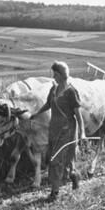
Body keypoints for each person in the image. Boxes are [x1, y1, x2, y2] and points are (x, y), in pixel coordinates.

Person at [29, 61, 86, 201]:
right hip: (54, 129)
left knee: (55, 160)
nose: (53, 77)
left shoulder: (71, 92)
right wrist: (36, 113)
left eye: (55, 74)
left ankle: (55, 191)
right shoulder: (53, 90)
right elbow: (48, 104)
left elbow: (78, 115)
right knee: (60, 160)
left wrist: (82, 133)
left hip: (67, 130)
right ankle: (74, 175)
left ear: (61, 75)